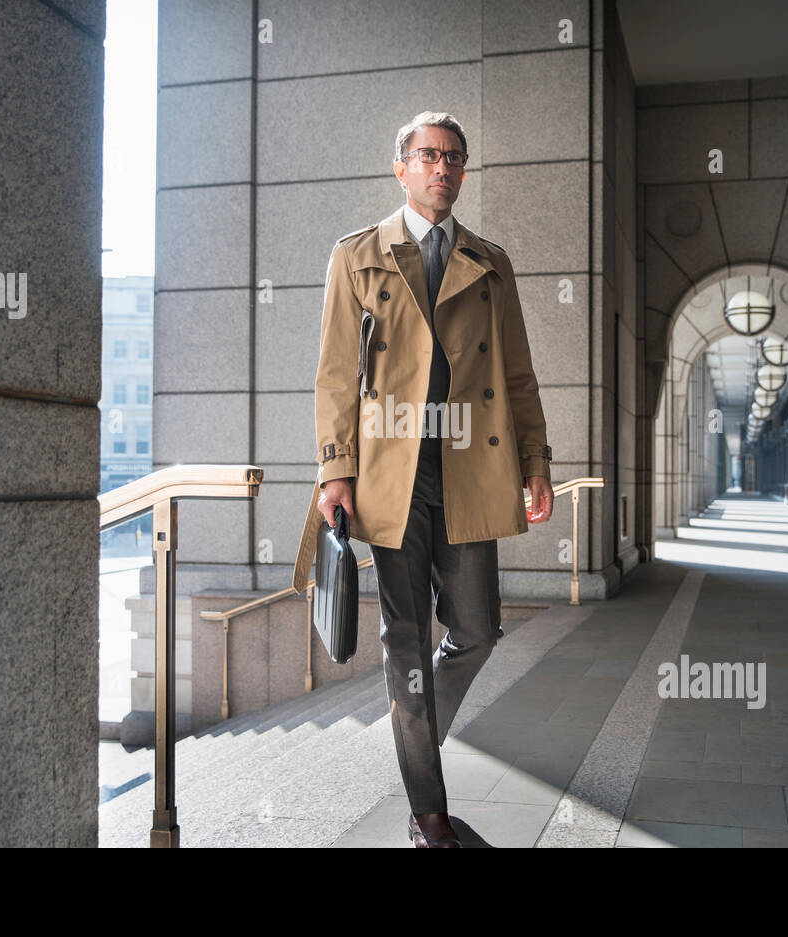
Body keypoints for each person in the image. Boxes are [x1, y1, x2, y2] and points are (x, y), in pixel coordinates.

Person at [290, 111, 554, 847]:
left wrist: (535, 462)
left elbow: (520, 376)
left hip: (470, 466)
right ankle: (429, 813)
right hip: (387, 474)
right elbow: (335, 376)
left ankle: (414, 728)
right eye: (429, 155)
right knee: (402, 639)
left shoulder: (492, 263)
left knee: (476, 628)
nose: (443, 168)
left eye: (455, 158)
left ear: (463, 173)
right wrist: (334, 471)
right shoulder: (357, 257)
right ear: (400, 165)